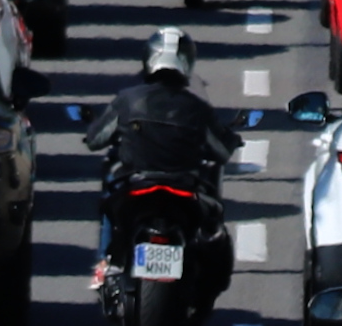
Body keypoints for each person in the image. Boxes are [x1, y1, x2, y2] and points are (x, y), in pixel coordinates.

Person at [84, 29, 238, 288]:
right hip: (184, 187)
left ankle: (105, 261)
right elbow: (221, 152)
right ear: (187, 63)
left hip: (136, 184)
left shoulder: (128, 99)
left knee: (110, 185)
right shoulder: (197, 108)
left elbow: (95, 140)